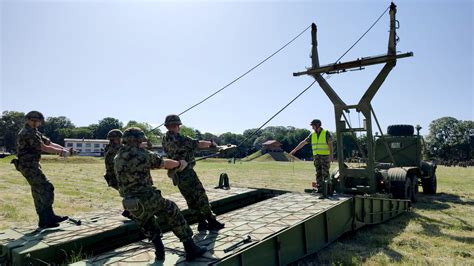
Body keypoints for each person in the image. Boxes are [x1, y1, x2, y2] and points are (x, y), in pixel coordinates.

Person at [114, 127, 206, 261]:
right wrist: (180, 163)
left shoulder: (118, 157)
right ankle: (190, 247)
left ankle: (160, 252)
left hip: (129, 202)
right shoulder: (142, 154)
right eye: (141, 140)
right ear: (137, 139)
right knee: (172, 210)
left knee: (147, 222)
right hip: (146, 196)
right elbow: (164, 163)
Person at [162, 114, 225, 231]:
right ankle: (212, 221)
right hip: (187, 173)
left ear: (166, 126)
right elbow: (199, 144)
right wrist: (212, 144)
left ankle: (201, 222)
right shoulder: (181, 139)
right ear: (177, 125)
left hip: (176, 175)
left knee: (190, 199)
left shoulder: (164, 140)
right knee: (201, 197)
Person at [12, 111, 69, 228]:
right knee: (47, 187)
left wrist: (65, 148)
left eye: (37, 121)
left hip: (31, 165)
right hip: (28, 166)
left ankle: (45, 220)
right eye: (32, 120)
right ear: (27, 120)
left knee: (38, 190)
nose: (35, 123)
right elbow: (43, 147)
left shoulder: (34, 132)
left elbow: (49, 142)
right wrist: (62, 152)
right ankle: (48, 217)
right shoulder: (27, 133)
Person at [289, 119, 333, 197]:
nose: (312, 127)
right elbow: (304, 142)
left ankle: (327, 191)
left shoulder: (326, 133)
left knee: (325, 173)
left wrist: (331, 155)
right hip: (316, 157)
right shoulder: (312, 134)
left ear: (318, 125)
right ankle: (320, 190)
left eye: (313, 125)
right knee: (318, 173)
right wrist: (295, 150)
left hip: (325, 157)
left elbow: (330, 144)